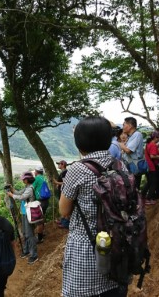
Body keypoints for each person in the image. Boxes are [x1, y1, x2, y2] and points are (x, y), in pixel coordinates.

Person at [59, 116, 128, 297]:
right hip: (118, 246)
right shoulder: (120, 166)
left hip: (86, 250)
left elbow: (64, 211)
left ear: (79, 143)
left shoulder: (77, 170)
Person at [6, 171, 38, 264]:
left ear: (27, 179)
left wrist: (12, 195)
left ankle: (34, 255)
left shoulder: (30, 189)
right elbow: (18, 192)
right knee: (25, 233)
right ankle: (26, 250)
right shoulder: (27, 187)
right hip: (25, 213)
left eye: (24, 179)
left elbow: (22, 197)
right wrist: (12, 189)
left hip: (29, 214)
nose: (23, 180)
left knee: (30, 234)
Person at [141, 131, 159, 205]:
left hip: (148, 165)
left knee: (149, 182)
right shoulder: (153, 145)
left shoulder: (148, 144)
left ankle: (142, 197)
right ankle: (148, 199)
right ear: (155, 137)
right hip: (152, 166)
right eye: (158, 138)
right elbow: (152, 156)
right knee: (154, 183)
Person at [120, 117, 144, 189]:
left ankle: (137, 199)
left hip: (134, 166)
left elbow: (128, 150)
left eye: (124, 124)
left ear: (130, 126)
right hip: (130, 166)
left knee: (134, 188)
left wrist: (120, 145)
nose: (123, 127)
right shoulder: (131, 136)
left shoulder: (137, 134)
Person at [32, 166, 49, 243]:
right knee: (42, 218)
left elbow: (31, 188)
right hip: (46, 201)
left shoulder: (36, 178)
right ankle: (42, 234)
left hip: (40, 201)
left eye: (35, 171)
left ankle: (39, 238)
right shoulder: (43, 177)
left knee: (38, 220)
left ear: (36, 172)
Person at [53, 160, 69, 229]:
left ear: (62, 165)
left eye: (59, 164)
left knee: (63, 206)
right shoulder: (63, 172)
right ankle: (62, 221)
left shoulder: (64, 172)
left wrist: (56, 182)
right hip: (62, 191)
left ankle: (65, 223)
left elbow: (65, 183)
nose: (58, 165)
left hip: (63, 192)